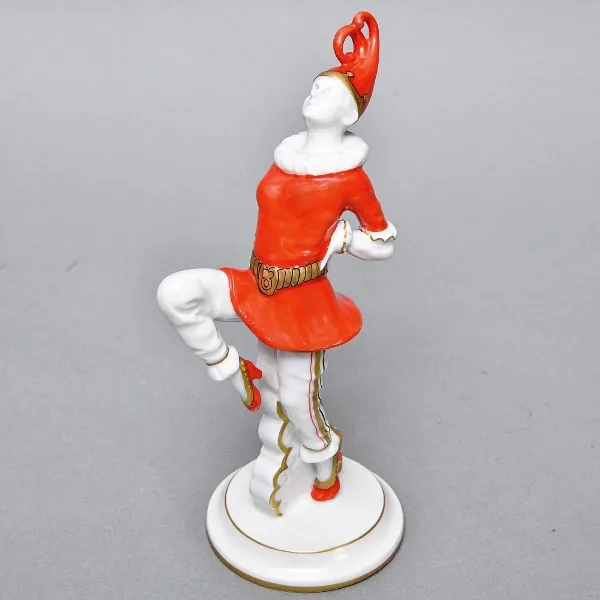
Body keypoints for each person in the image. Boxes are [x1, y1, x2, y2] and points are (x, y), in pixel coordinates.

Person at [157, 11, 396, 509]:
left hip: (303, 302)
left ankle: (324, 461)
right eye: (314, 86)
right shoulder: (286, 156)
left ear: (349, 114)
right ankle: (233, 369)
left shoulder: (350, 177)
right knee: (176, 293)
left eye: (326, 91)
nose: (313, 93)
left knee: (297, 406)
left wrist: (344, 239)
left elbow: (382, 243)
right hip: (255, 283)